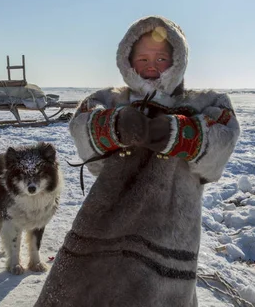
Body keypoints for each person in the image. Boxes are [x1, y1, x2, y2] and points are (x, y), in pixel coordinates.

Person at [36, 15, 241, 307]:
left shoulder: (204, 104)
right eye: (142, 58)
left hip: (169, 224)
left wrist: (178, 132)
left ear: (178, 60)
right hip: (108, 215)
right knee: (89, 285)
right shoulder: (110, 99)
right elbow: (81, 129)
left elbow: (221, 146)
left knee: (157, 290)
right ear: (127, 61)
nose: (151, 65)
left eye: (161, 57)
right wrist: (114, 126)